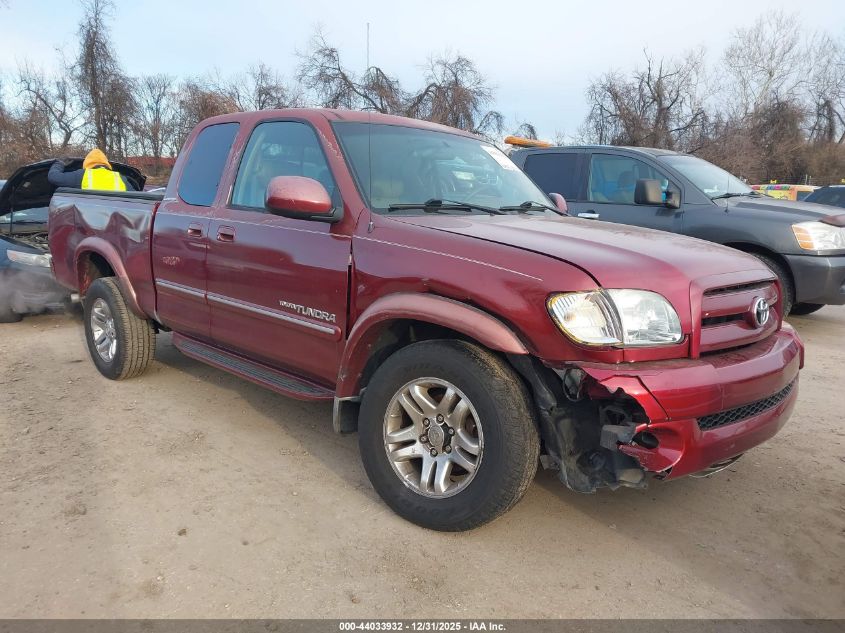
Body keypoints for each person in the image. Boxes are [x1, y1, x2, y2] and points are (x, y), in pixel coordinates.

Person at [48, 149, 135, 191]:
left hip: (89, 224)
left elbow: (53, 177)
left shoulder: (83, 175)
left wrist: (59, 163)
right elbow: (137, 200)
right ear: (106, 163)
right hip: (114, 224)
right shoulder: (120, 178)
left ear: (87, 163)